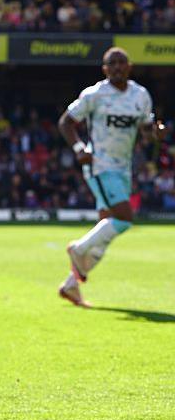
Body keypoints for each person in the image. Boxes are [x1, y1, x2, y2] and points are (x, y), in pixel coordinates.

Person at [57, 47, 167, 307]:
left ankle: (72, 285)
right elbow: (66, 122)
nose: (117, 67)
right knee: (124, 218)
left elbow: (145, 127)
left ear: (130, 66)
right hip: (99, 165)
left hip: (123, 167)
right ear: (105, 69)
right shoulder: (94, 95)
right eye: (112, 64)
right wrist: (79, 149)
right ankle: (78, 249)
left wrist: (155, 131)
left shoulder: (140, 95)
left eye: (121, 63)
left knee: (105, 231)